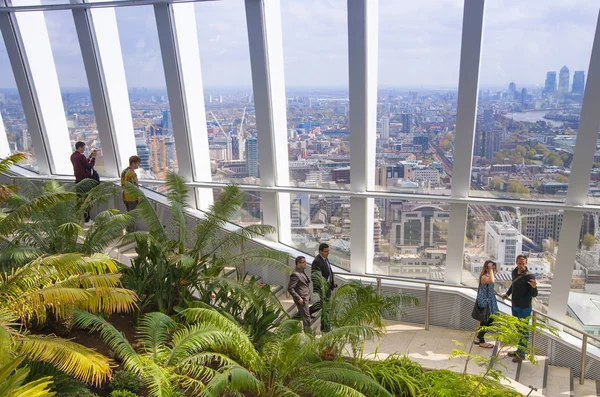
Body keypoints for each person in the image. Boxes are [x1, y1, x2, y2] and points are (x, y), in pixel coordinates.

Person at [502, 254, 538, 362]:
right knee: (518, 329)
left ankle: (522, 354)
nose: (521, 265)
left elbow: (534, 294)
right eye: (520, 263)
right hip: (515, 305)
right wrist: (507, 294)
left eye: (523, 263)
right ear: (516, 262)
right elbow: (513, 285)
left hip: (525, 307)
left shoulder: (529, 276)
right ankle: (519, 350)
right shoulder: (514, 272)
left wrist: (534, 287)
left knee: (523, 331)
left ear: (526, 263)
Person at [310, 243, 336, 332]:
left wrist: (332, 281)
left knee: (324, 306)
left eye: (328, 251)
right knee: (324, 307)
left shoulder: (325, 259)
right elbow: (315, 276)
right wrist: (322, 286)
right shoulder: (317, 261)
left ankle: (324, 326)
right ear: (320, 251)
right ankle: (325, 327)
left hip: (328, 287)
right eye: (326, 251)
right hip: (322, 288)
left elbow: (329, 271)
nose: (328, 253)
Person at [474, 260, 499, 348]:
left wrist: (492, 291)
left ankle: (479, 337)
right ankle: (481, 340)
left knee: (490, 319)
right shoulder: (484, 276)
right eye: (492, 267)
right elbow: (491, 281)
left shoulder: (488, 276)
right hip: (485, 301)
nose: (493, 269)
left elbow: (490, 285)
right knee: (485, 320)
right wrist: (490, 269)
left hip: (490, 300)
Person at [70, 141, 97, 223]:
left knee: (80, 200)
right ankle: (87, 219)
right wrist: (94, 158)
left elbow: (83, 163)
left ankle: (79, 219)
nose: (84, 150)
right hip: (85, 182)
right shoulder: (81, 156)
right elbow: (89, 167)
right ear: (80, 147)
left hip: (78, 181)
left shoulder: (73, 156)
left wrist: (90, 157)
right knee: (87, 200)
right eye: (83, 148)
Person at [287, 256, 311, 332]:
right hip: (302, 299)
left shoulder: (302, 271)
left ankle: (288, 326)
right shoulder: (295, 274)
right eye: (303, 262)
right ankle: (308, 336)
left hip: (306, 298)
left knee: (300, 315)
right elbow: (290, 288)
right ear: (298, 263)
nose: (305, 263)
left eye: (305, 261)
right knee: (306, 318)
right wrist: (298, 298)